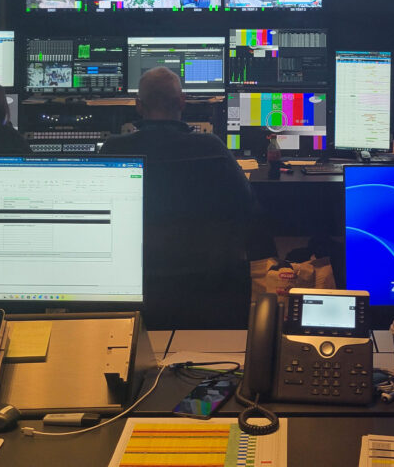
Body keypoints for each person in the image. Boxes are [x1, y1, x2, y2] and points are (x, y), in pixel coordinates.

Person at [100, 67, 271, 327]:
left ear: (138, 106)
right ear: (182, 102)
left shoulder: (113, 150)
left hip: (136, 289)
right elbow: (249, 209)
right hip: (210, 290)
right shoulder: (212, 148)